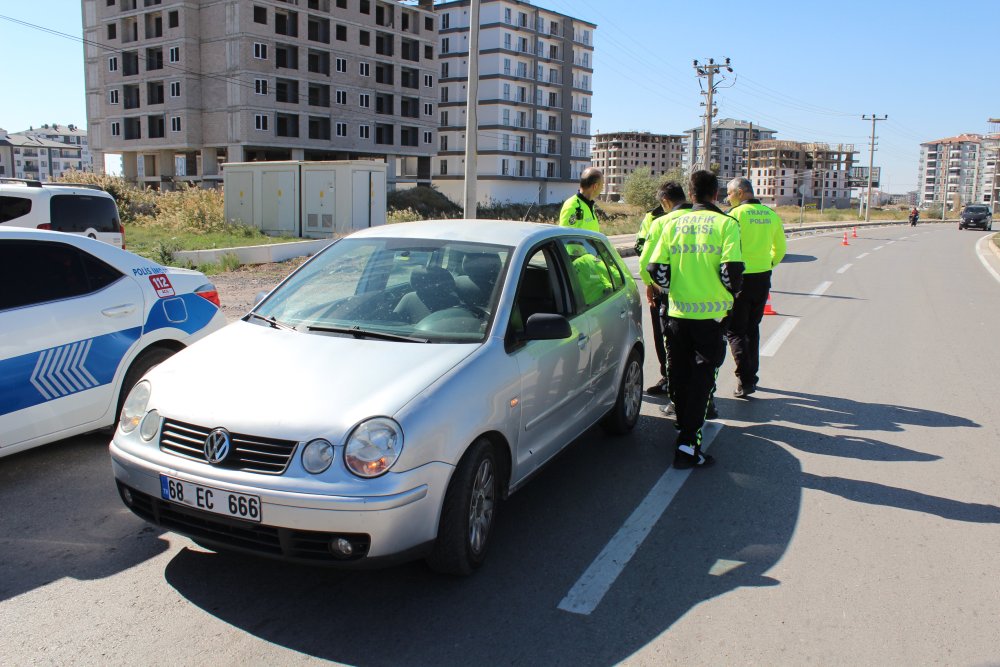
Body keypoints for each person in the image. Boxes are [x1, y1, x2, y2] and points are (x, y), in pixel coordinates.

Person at [646, 170, 743, 469]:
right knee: (703, 380)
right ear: (715, 194)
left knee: (678, 373)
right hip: (711, 317)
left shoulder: (670, 222)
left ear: (690, 193)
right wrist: (728, 294)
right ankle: (688, 445)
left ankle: (682, 427)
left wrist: (676, 288)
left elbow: (656, 269)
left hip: (676, 313)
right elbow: (731, 273)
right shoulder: (727, 224)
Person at [724, 177, 786, 398]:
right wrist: (768, 263)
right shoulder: (771, 215)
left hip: (740, 278)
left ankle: (746, 378)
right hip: (762, 277)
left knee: (735, 330)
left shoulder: (734, 216)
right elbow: (780, 249)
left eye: (730, 193)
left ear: (741, 192)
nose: (727, 198)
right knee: (752, 327)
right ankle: (752, 374)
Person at [636, 182, 691, 395]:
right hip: (703, 295)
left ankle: (670, 381)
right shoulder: (709, 221)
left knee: (667, 340)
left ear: (665, 201)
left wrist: (650, 285)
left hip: (667, 293)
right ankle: (704, 393)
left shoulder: (661, 223)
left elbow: (645, 262)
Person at [559, 168, 604, 232]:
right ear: (595, 186)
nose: (602, 188)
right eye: (602, 185)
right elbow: (564, 237)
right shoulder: (572, 205)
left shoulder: (590, 205)